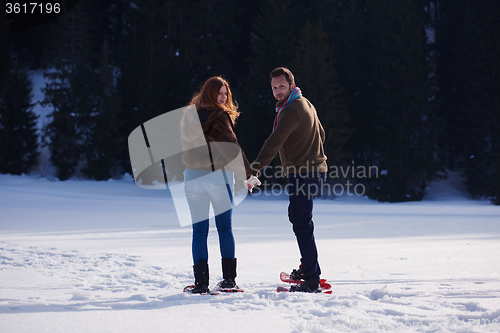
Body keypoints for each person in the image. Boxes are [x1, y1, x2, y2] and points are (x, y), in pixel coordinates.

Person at [248, 67, 328, 292]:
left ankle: (311, 279)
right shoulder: (305, 102)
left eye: (281, 86)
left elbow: (274, 142)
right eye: (274, 87)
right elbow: (321, 133)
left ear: (291, 85)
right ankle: (308, 267)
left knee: (302, 222)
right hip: (311, 171)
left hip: (304, 173)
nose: (277, 91)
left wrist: (254, 170)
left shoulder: (292, 109)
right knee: (298, 217)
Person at [181, 76, 253, 293]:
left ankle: (201, 284)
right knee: (224, 228)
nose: (223, 97)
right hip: (217, 178)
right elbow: (231, 148)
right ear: (210, 93)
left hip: (192, 178)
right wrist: (248, 175)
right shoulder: (219, 115)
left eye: (225, 94)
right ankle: (229, 281)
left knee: (199, 232)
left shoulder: (188, 115)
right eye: (220, 93)